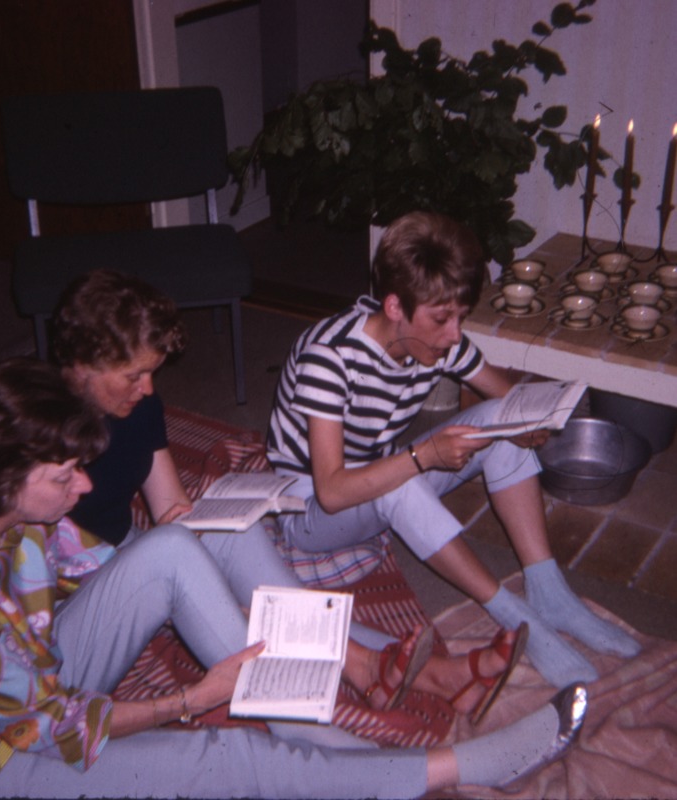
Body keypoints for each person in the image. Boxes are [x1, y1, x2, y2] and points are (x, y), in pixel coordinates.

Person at [0, 358, 587, 798]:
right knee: (227, 760)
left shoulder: (17, 517)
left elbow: (123, 573)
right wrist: (191, 700)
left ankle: (307, 718)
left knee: (176, 547)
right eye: (64, 476)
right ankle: (451, 767)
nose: (84, 487)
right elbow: (54, 729)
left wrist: (222, 574)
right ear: (4, 478)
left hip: (37, 673)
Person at [50, 268, 525, 720]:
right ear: (83, 364)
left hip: (134, 548)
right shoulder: (35, 434)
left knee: (251, 563)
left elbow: (169, 507)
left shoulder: (141, 405)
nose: (148, 388)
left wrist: (208, 524)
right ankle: (415, 673)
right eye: (134, 376)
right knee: (234, 603)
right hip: (71, 584)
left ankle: (420, 673)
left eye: (151, 372)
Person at [266, 210, 642, 691]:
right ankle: (514, 616)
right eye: (442, 319)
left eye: (460, 317)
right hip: (309, 510)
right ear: (394, 306)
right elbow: (333, 492)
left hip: (374, 477)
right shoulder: (329, 358)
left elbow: (506, 400)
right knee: (402, 479)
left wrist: (530, 423)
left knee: (499, 423)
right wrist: (423, 456)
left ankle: (548, 589)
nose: (453, 334)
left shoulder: (439, 343)